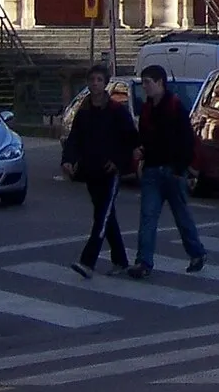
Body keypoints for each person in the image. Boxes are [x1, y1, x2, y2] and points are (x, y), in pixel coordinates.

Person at [129, 64, 206, 277]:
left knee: (181, 216)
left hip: (172, 170)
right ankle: (143, 262)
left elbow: (186, 139)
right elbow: (144, 136)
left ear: (160, 83)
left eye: (148, 82)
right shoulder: (147, 109)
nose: (144, 87)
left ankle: (196, 252)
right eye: (143, 82)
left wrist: (181, 168)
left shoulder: (174, 106)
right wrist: (141, 151)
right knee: (148, 217)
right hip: (153, 169)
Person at [60, 65, 136, 278]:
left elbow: (129, 139)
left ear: (105, 84)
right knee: (105, 216)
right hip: (91, 170)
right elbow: (74, 139)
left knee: (102, 217)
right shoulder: (83, 112)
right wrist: (68, 160)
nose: (95, 83)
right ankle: (121, 260)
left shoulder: (116, 111)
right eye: (92, 79)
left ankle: (88, 261)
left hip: (110, 171)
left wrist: (118, 161)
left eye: (99, 80)